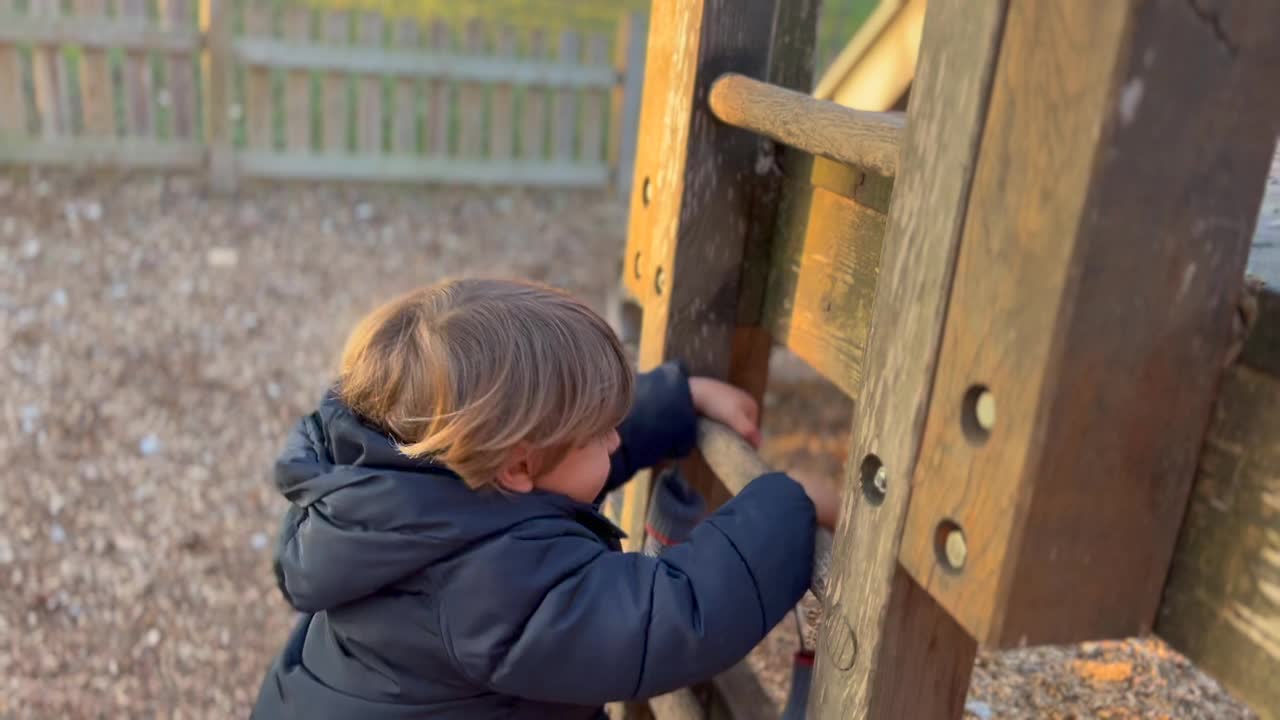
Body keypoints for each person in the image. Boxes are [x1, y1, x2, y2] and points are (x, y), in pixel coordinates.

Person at [251, 277, 840, 720]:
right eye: (602, 428)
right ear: (518, 466)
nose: (615, 436)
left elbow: (560, 464)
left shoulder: (398, 494)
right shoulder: (492, 589)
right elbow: (672, 617)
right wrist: (787, 507)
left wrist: (672, 404)